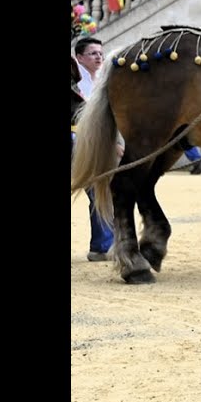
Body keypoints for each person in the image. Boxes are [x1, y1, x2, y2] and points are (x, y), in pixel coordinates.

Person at [74, 37, 114, 262]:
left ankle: (102, 246)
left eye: (100, 52)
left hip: (96, 144)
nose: (99, 56)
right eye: (92, 53)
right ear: (79, 58)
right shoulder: (75, 82)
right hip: (75, 140)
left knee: (101, 191)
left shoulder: (105, 80)